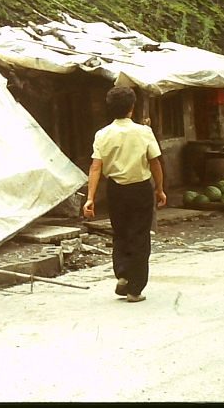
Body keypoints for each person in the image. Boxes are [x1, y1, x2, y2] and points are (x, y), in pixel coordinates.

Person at [83, 86, 167, 303]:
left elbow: (95, 167)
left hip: (115, 190)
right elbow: (154, 162)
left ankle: (122, 272)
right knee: (140, 235)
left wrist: (90, 197)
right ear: (132, 107)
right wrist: (159, 188)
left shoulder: (102, 135)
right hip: (140, 188)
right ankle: (135, 288)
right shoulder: (144, 132)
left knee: (120, 232)